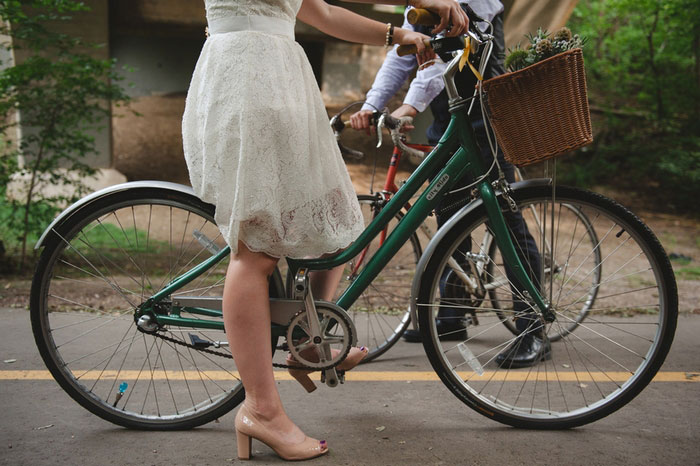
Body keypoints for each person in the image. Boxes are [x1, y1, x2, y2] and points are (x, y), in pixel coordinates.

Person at [182, 0, 469, 461]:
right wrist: (427, 3)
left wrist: (396, 34)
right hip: (247, 78)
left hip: (280, 75)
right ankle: (261, 410)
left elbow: (321, 12)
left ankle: (309, 344)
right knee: (254, 250)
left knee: (333, 213)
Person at [350, 0, 549, 369]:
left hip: (485, 115)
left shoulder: (473, 5)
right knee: (450, 212)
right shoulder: (424, 5)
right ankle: (453, 314)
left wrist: (407, 107)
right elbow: (406, 51)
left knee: (504, 217)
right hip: (450, 116)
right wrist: (371, 104)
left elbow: (445, 58)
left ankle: (532, 326)